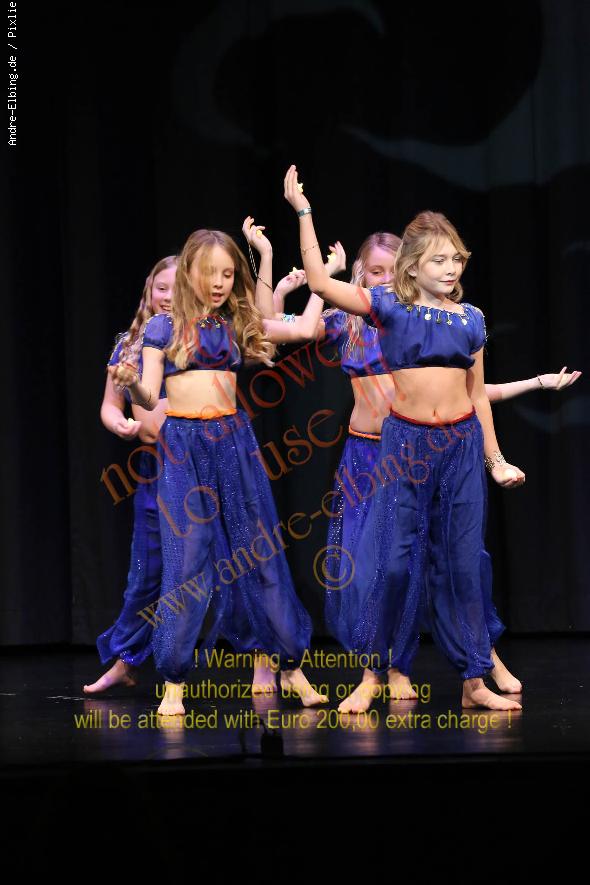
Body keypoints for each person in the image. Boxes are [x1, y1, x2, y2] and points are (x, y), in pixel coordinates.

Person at [284, 164, 527, 711]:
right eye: (439, 259)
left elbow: (478, 395)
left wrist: (495, 460)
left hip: (459, 447)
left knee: (462, 564)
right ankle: (373, 674)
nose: (451, 267)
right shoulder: (390, 307)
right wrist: (304, 212)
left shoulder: (471, 319)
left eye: (456, 258)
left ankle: (473, 682)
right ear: (412, 266)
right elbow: (320, 284)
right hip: (405, 446)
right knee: (391, 565)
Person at [109, 229, 327, 714]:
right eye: (210, 273)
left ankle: (290, 665)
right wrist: (131, 382)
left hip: (232, 441)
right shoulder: (163, 327)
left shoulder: (236, 322)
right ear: (189, 272)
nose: (219, 283)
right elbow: (148, 393)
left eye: (228, 274)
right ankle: (173, 680)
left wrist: (321, 280)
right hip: (184, 447)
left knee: (261, 552)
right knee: (187, 561)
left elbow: (304, 331)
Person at [84, 256, 176, 694]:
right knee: (147, 570)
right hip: (154, 468)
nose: (169, 297)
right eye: (161, 288)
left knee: (231, 565)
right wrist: (117, 422)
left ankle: (265, 662)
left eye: (178, 288)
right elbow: (110, 403)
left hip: (199, 464)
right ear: (149, 291)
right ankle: (125, 659)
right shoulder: (130, 344)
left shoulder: (200, 340)